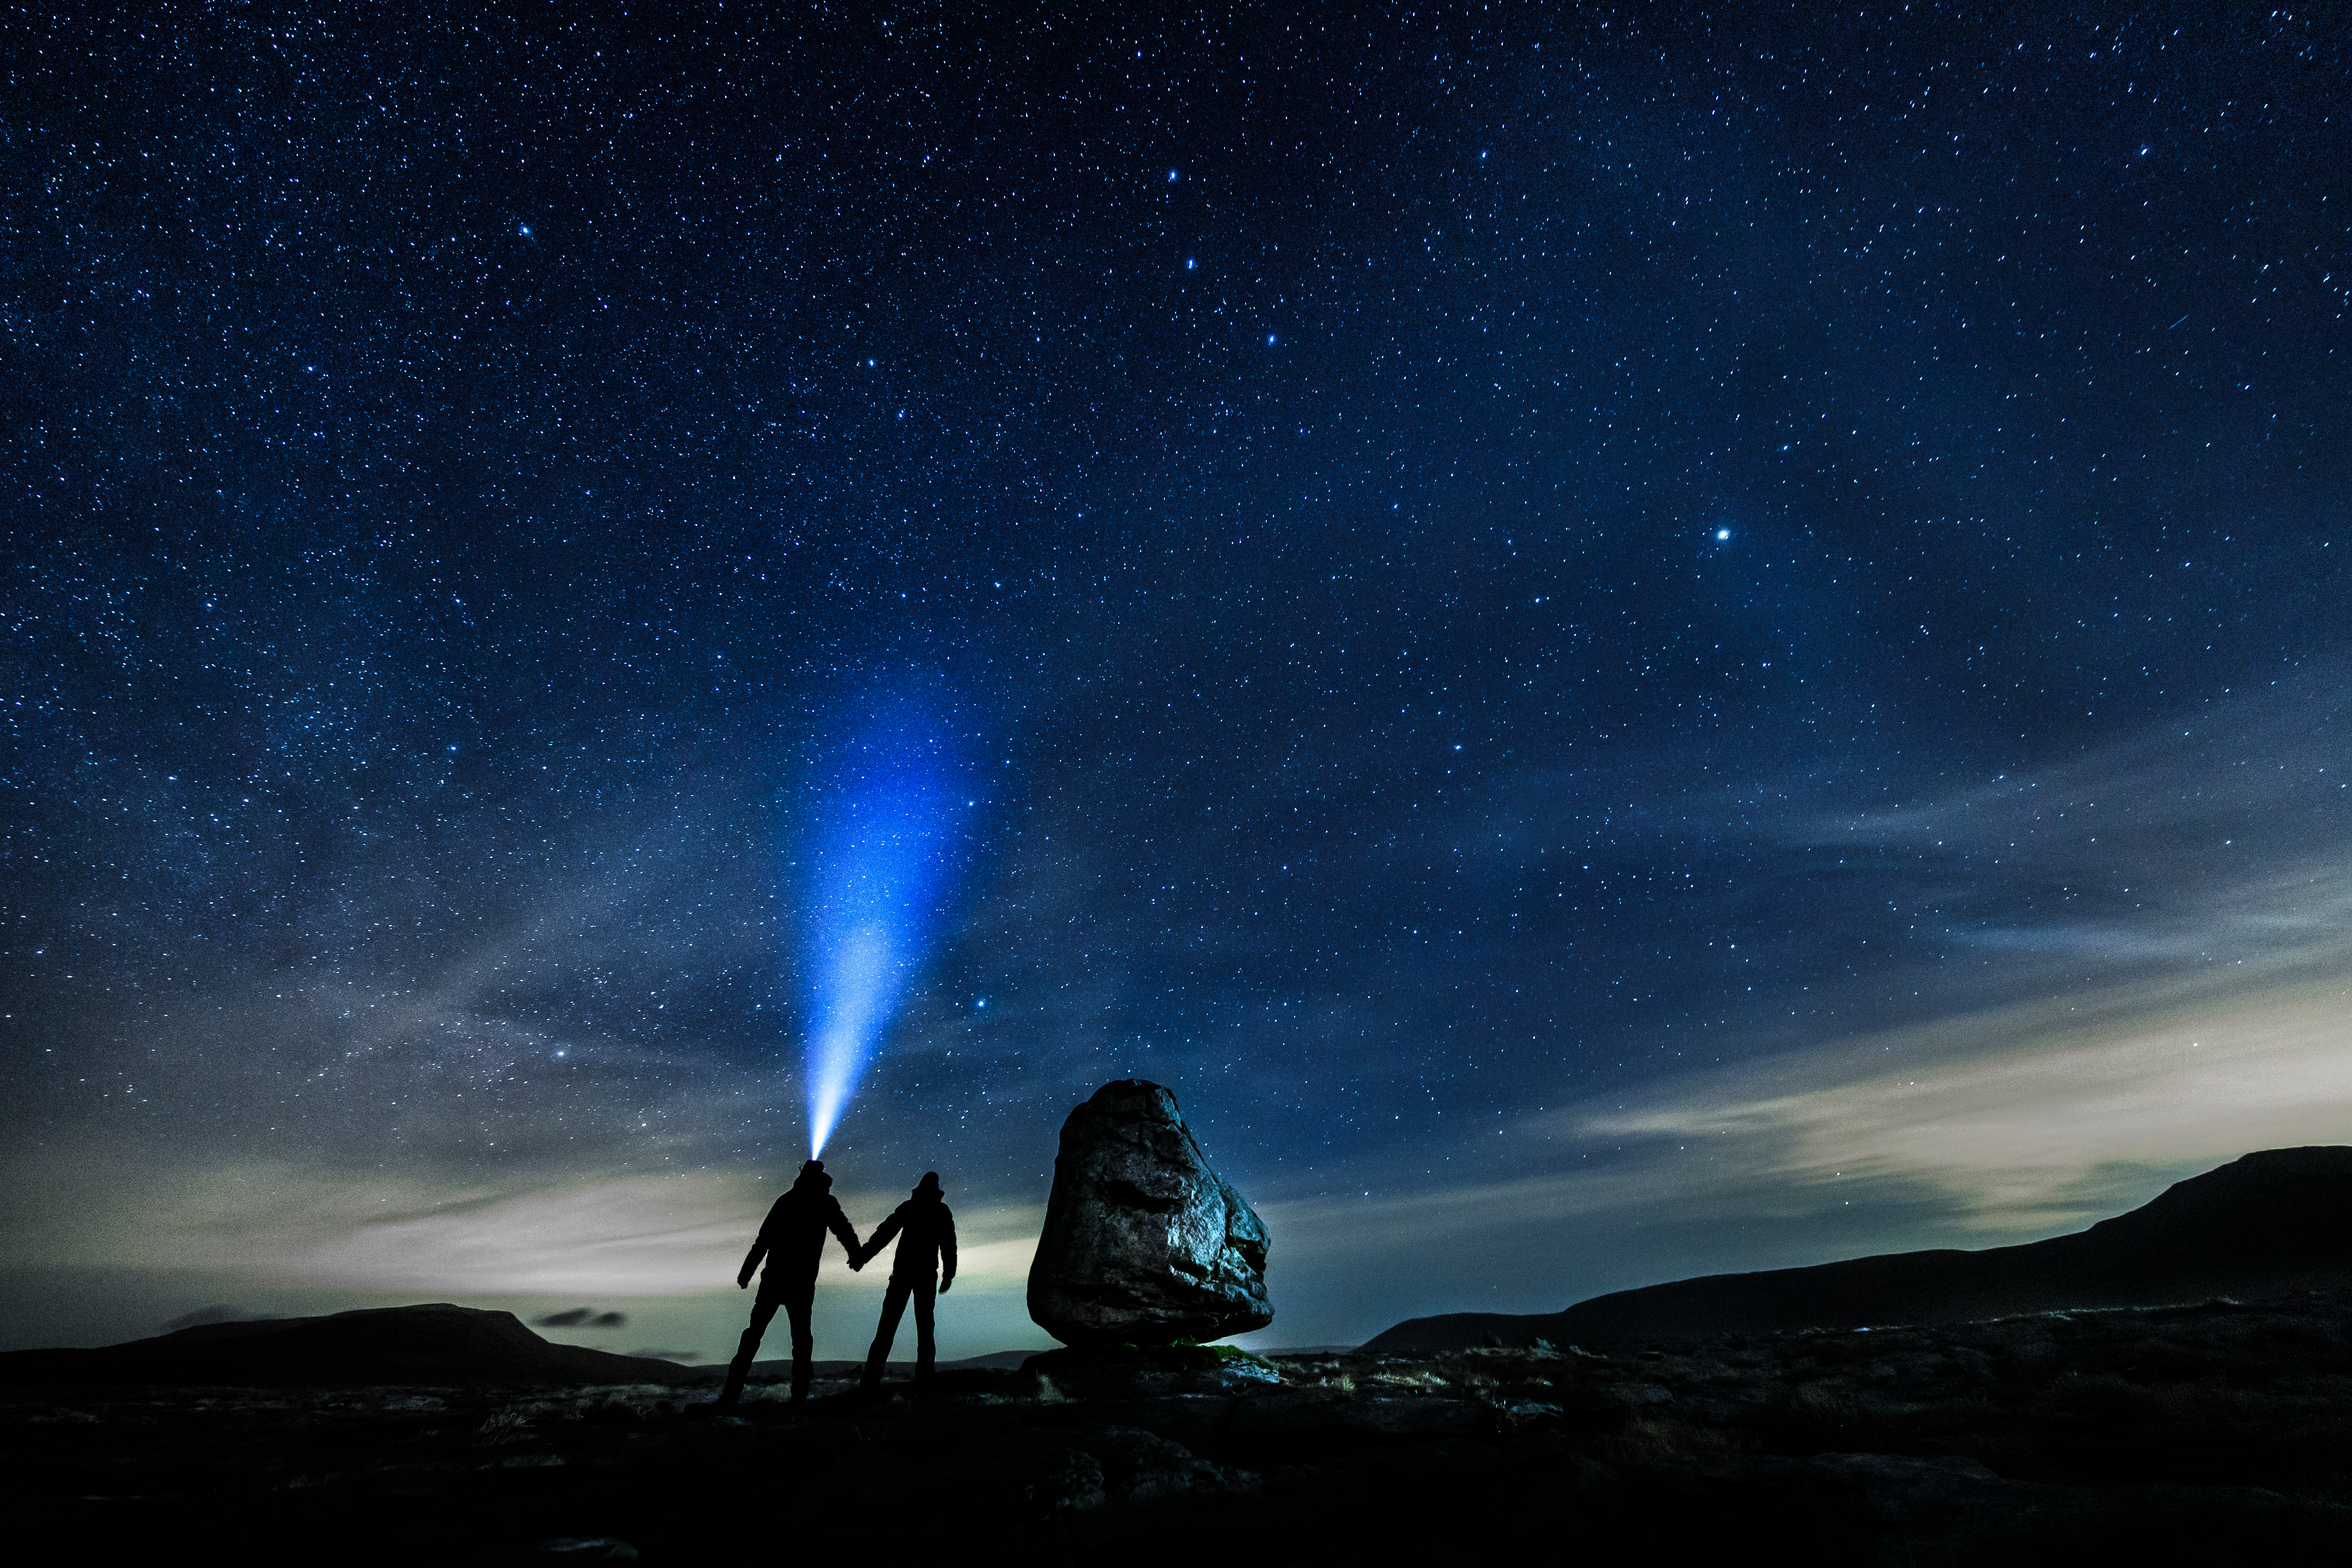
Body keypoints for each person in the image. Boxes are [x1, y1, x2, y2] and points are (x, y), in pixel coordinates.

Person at [718, 1159, 863, 1409]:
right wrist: (857, 1256)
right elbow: (845, 1231)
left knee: (754, 1336)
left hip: (774, 1279)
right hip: (802, 1282)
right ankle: (799, 1401)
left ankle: (731, 1396)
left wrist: (746, 1273)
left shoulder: (786, 1201)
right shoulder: (826, 1203)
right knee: (802, 1342)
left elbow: (763, 1240)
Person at [855, 1170, 958, 1392]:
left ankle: (871, 1380)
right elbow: (949, 1246)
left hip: (903, 1274)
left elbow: (884, 1234)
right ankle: (925, 1380)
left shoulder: (910, 1208)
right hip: (925, 1276)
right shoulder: (941, 1211)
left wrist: (863, 1257)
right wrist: (949, 1274)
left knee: (887, 1327)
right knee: (925, 1328)